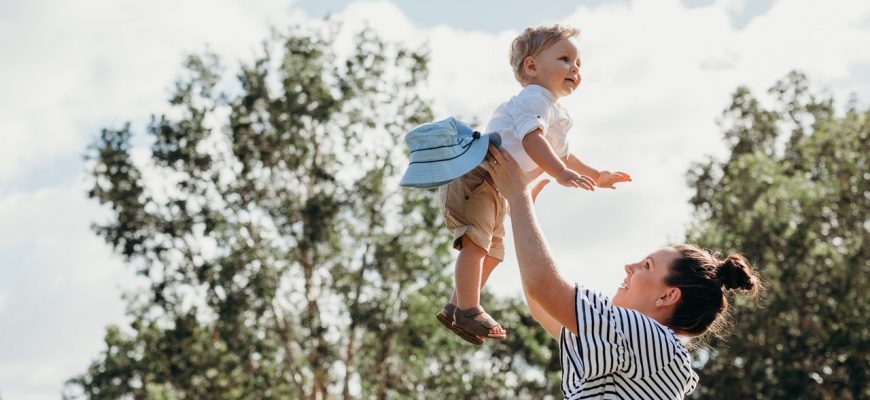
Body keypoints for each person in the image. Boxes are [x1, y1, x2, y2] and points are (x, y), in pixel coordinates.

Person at [480, 145, 763, 399]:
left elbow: (543, 287)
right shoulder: (644, 351)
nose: (629, 267)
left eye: (646, 266)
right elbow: (542, 301)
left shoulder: (652, 339)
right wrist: (520, 215)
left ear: (667, 296)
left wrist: (519, 198)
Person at [436, 24, 632, 345]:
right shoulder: (533, 99)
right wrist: (559, 173)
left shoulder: (556, 111)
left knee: (494, 253)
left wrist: (597, 175)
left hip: (497, 186)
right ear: (531, 66)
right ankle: (469, 308)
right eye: (565, 59)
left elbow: (564, 155)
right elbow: (532, 142)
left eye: (578, 64)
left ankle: (457, 305)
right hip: (478, 174)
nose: (575, 68)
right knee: (476, 244)